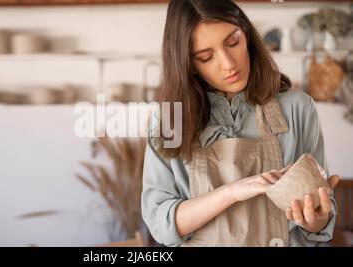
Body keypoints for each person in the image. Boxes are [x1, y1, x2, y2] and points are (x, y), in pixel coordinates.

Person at [141, 0, 338, 247]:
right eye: (206, 56)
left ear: (246, 33)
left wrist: (315, 220)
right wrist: (231, 192)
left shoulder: (297, 108)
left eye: (233, 42)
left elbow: (319, 224)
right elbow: (161, 223)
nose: (228, 63)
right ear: (188, 65)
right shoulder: (170, 119)